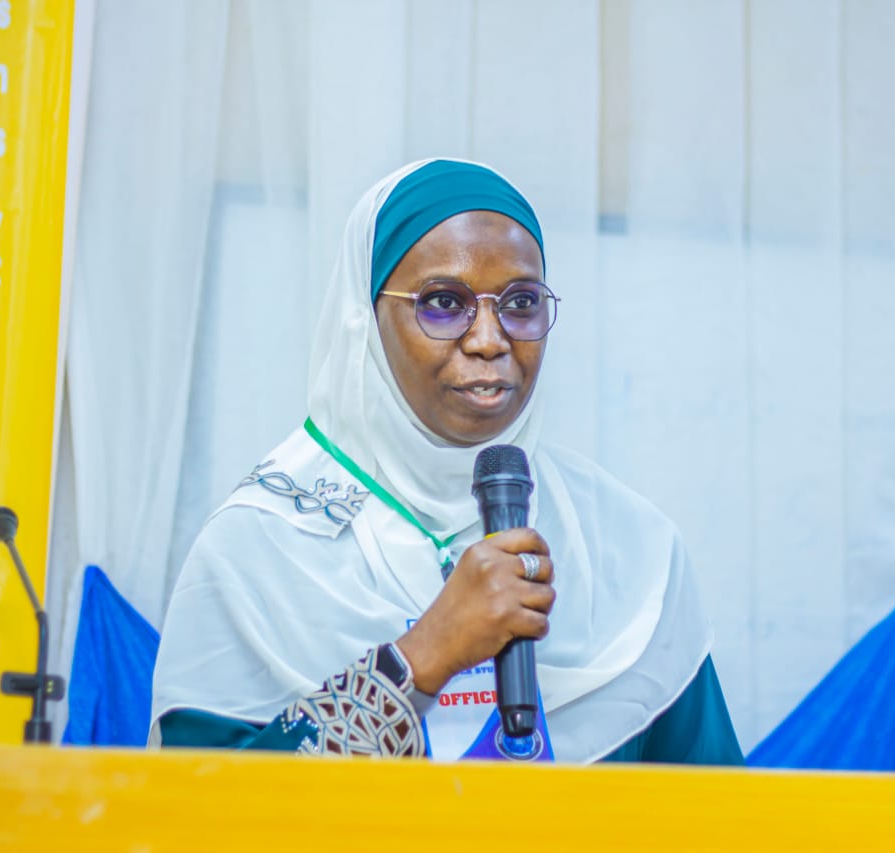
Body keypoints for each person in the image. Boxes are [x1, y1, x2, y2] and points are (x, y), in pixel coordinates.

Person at [150, 159, 743, 764]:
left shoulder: (629, 548)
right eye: (442, 302)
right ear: (364, 322)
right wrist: (422, 657)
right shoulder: (262, 544)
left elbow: (719, 816)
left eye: (520, 302)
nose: (489, 338)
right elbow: (195, 815)